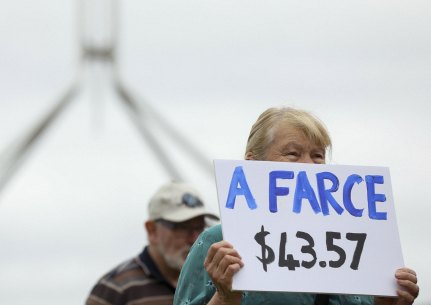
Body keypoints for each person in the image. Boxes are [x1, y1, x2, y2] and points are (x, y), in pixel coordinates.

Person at [174, 107, 420, 305]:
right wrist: (226, 298)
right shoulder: (219, 243)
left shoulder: (354, 245)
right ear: (253, 162)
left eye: (317, 155)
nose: (309, 166)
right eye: (292, 154)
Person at [86, 181, 219, 305]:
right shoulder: (115, 288)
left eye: (200, 228)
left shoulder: (216, 281)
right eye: (182, 227)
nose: (195, 239)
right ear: (152, 230)